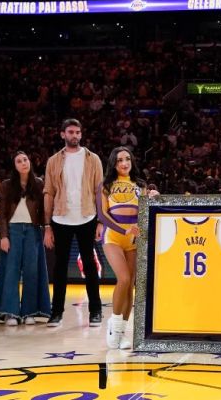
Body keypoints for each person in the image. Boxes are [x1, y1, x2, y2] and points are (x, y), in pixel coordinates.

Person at [43, 118, 104, 328]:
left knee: (90, 264)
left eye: (78, 132)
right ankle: (56, 312)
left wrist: (100, 222)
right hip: (60, 218)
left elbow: (100, 191)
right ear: (63, 134)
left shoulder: (93, 158)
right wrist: (47, 225)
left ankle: (95, 311)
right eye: (70, 132)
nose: (75, 135)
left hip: (87, 217)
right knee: (59, 267)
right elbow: (49, 192)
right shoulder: (53, 161)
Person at [97, 147, 156, 349]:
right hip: (113, 236)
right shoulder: (105, 185)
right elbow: (102, 215)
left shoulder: (140, 185)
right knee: (122, 278)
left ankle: (122, 333)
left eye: (127, 159)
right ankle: (113, 324)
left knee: (130, 283)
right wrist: (124, 231)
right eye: (120, 160)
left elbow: (147, 212)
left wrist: (154, 198)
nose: (124, 163)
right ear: (113, 163)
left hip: (134, 239)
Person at [0, 152, 51, 325]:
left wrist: (47, 228)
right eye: (19, 161)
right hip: (13, 231)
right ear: (15, 166)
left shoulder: (39, 184)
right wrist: (3, 236)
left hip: (33, 231)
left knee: (32, 271)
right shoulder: (6, 185)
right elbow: (2, 214)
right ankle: (11, 312)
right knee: (11, 271)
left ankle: (29, 312)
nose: (23, 163)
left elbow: (44, 211)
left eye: (25, 159)